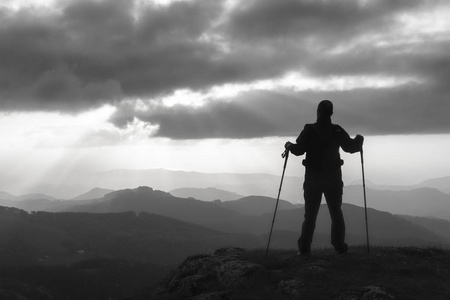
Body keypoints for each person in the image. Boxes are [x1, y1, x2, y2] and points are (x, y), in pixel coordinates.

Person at [285, 100, 363, 256]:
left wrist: (288, 145)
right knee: (336, 214)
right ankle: (340, 247)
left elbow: (299, 150)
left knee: (310, 216)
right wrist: (359, 139)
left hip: (313, 179)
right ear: (331, 113)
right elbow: (350, 147)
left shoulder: (309, 130)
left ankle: (304, 249)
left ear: (317, 112)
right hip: (333, 179)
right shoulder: (337, 131)